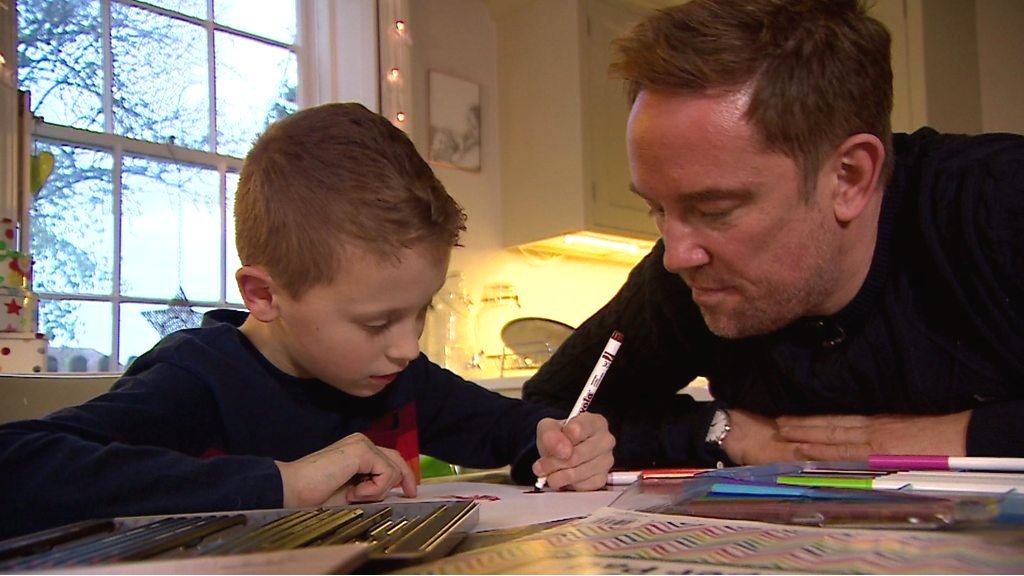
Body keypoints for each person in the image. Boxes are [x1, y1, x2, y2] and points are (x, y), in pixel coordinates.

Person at [0, 103, 614, 540]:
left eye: (421, 310)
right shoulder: (199, 378)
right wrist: (280, 485)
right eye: (377, 322)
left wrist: (558, 442)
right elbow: (16, 467)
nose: (408, 347)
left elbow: (509, 429)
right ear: (264, 295)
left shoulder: (398, 376)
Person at [523, 0, 1024, 468]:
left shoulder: (998, 202)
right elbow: (547, 413)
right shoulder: (685, 276)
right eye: (656, 208)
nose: (676, 256)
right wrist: (720, 431)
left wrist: (968, 437)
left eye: (715, 209)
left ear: (849, 177)